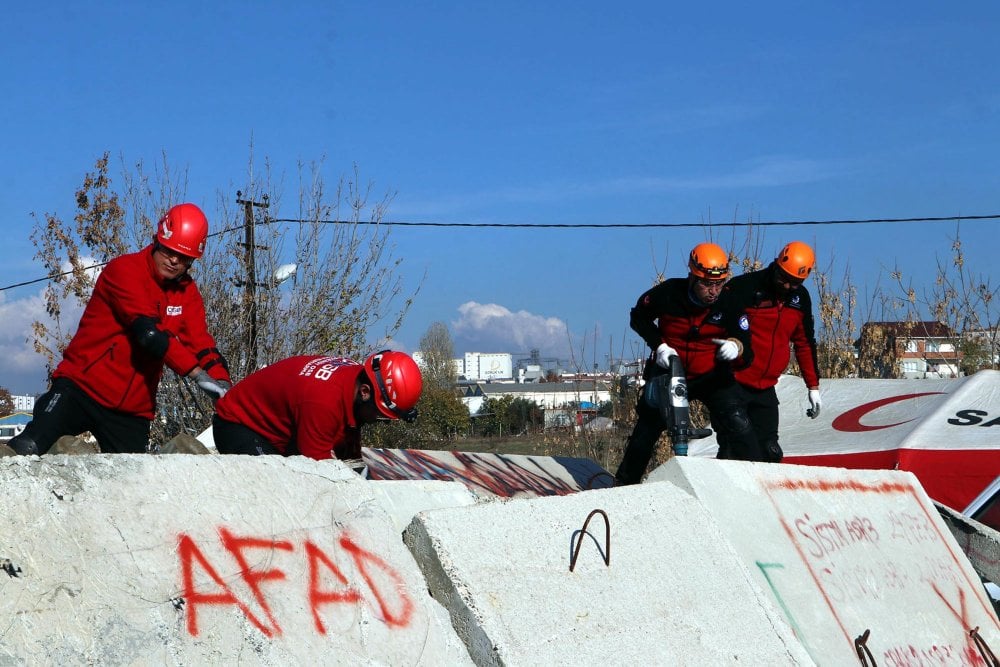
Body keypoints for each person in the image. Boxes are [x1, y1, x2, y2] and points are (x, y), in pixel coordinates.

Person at [9, 203, 232, 456]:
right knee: (27, 449)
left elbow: (201, 341)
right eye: (170, 251)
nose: (174, 260)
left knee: (130, 486)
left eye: (183, 257)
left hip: (132, 408)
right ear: (158, 240)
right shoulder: (125, 270)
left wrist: (222, 383)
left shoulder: (187, 294)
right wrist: (197, 374)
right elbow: (149, 335)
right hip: (81, 387)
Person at [615, 242, 762, 485]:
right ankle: (623, 484)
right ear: (692, 277)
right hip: (671, 372)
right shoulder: (669, 293)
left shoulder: (730, 302)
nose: (713, 291)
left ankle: (759, 480)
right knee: (647, 429)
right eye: (707, 283)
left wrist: (736, 347)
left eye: (719, 283)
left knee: (738, 422)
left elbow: (747, 348)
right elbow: (638, 317)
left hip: (712, 375)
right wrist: (659, 345)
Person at [212, 350, 423, 461]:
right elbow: (318, 471)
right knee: (277, 488)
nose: (381, 423)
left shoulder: (355, 380)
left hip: (277, 429)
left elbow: (347, 442)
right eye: (382, 415)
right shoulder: (323, 403)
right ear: (365, 392)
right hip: (238, 425)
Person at [721, 241, 821, 462]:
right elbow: (718, 323)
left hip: (766, 386)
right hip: (734, 381)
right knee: (736, 448)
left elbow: (804, 343)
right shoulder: (745, 287)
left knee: (770, 452)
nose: (786, 286)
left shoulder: (799, 299)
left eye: (794, 283)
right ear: (776, 265)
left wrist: (813, 387)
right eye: (783, 279)